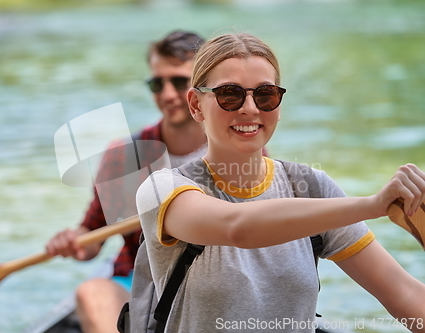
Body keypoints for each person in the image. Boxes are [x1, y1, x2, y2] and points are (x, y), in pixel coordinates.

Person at [136, 32, 425, 333]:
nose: (250, 108)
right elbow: (239, 228)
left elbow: (404, 293)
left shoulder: (312, 187)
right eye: (230, 94)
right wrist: (373, 205)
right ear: (196, 105)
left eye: (265, 95)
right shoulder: (162, 189)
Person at [45, 31, 209, 333]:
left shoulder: (237, 148)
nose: (168, 94)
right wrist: (73, 242)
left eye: (179, 81)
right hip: (137, 279)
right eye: (157, 84)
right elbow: (92, 236)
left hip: (212, 281)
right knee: (91, 292)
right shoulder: (124, 157)